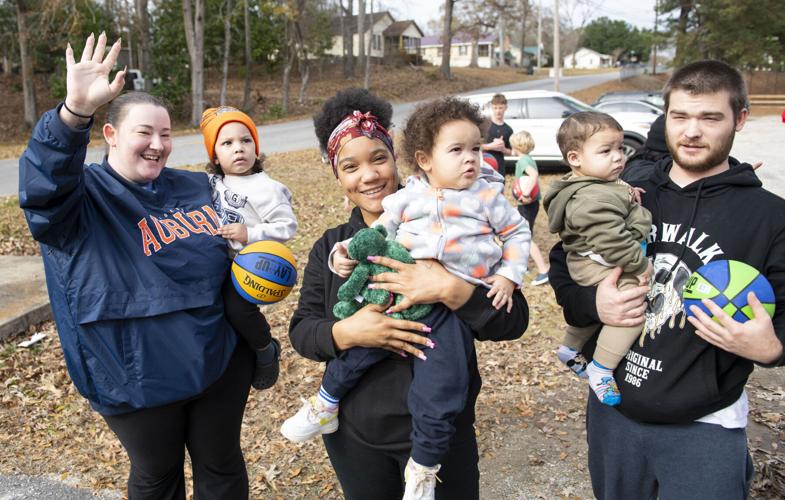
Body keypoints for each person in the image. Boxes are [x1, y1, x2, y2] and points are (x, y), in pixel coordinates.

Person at [19, 33, 254, 499]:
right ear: (110, 134)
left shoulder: (194, 187)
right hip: (133, 377)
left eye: (165, 134)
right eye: (143, 132)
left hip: (217, 362)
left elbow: (245, 238)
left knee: (223, 468)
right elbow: (42, 189)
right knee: (157, 476)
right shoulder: (80, 200)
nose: (157, 144)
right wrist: (73, 116)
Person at [548, 60, 785, 499]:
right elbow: (564, 263)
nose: (692, 132)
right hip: (613, 411)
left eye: (710, 117)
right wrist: (592, 305)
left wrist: (772, 348)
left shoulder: (770, 217)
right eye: (680, 117)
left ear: (741, 119)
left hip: (704, 427)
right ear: (666, 117)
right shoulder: (628, 190)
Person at [287, 88, 529, 500]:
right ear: (338, 177)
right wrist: (350, 332)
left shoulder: (465, 229)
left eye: (378, 158)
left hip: (442, 437)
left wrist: (454, 291)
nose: (368, 176)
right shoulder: (335, 246)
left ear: (398, 160)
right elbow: (303, 331)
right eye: (350, 167)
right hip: (357, 436)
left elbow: (514, 321)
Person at [542, 112, 652, 406]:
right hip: (597, 264)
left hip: (588, 261)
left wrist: (627, 193)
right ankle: (601, 369)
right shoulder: (591, 200)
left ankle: (570, 347)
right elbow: (613, 241)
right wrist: (641, 266)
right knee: (630, 307)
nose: (618, 157)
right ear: (575, 158)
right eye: (606, 151)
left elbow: (612, 198)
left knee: (601, 310)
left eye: (619, 148)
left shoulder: (595, 185)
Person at [199, 106, 298, 389]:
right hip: (217, 260)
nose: (238, 149)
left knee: (238, 309)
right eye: (227, 143)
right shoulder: (212, 183)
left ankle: (266, 349)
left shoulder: (267, 188)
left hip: (249, 266)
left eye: (246, 140)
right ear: (215, 156)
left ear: (256, 147)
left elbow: (287, 227)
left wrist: (250, 233)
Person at [510, 130, 550, 286]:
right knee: (525, 233)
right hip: (530, 205)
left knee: (525, 236)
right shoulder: (527, 158)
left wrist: (525, 193)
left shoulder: (523, 162)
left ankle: (543, 270)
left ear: (516, 146)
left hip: (528, 204)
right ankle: (523, 266)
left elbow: (533, 175)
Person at [482, 93, 513, 172]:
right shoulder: (484, 124)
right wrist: (490, 146)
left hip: (500, 167)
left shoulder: (508, 129)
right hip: (483, 164)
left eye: (500, 108)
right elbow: (473, 146)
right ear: (492, 107)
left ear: (506, 108)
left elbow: (511, 152)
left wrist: (503, 149)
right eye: (495, 108)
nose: (498, 111)